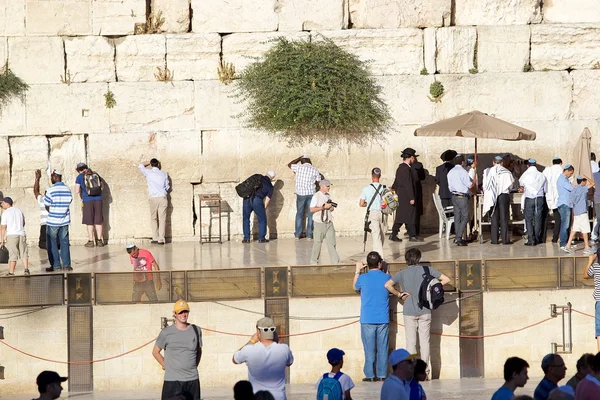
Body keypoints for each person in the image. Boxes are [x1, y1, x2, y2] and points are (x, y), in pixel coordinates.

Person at [385, 248, 450, 378]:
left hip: (409, 310)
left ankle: (412, 371)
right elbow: (446, 279)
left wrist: (399, 294)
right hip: (425, 310)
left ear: (406, 260)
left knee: (411, 342)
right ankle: (424, 372)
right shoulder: (427, 270)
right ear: (419, 259)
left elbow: (387, 285)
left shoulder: (402, 273)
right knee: (425, 342)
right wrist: (432, 288)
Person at [353, 251, 392, 382]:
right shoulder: (387, 277)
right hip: (383, 319)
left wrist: (357, 271)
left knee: (369, 349)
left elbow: (354, 286)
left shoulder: (363, 278)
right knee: (383, 348)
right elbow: (390, 284)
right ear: (380, 264)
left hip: (367, 319)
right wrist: (386, 270)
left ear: (367, 265)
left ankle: (370, 375)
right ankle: (382, 375)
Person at [233, 317, 294, 400]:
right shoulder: (284, 349)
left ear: (258, 331)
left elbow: (235, 359)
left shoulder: (249, 350)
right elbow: (289, 362)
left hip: (257, 397)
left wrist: (251, 341)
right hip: (279, 397)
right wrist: (276, 341)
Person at [153, 300, 202, 400]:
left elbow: (199, 351)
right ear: (174, 314)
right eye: (180, 312)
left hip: (192, 380)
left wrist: (192, 366)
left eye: (185, 311)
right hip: (173, 382)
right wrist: (166, 365)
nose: (183, 314)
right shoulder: (166, 333)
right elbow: (155, 352)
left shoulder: (196, 330)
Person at [390, 148, 422, 243]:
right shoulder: (406, 169)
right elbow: (408, 184)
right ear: (411, 158)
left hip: (402, 196)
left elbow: (397, 181)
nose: (414, 160)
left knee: (401, 216)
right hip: (406, 196)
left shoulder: (400, 168)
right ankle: (412, 235)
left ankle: (393, 234)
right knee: (410, 215)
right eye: (413, 158)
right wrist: (411, 197)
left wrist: (393, 187)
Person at [44, 170, 73, 272]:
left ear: (55, 177)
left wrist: (53, 212)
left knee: (52, 243)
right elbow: (69, 201)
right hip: (64, 221)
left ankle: (55, 265)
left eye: (51, 177)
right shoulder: (67, 189)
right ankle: (66, 265)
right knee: (64, 242)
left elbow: (46, 204)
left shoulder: (51, 190)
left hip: (53, 221)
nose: (51, 179)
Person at [483, 155, 514, 245]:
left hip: (492, 195)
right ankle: (505, 240)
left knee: (494, 217)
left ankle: (494, 240)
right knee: (504, 218)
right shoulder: (507, 172)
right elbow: (511, 185)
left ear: (493, 162)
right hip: (503, 195)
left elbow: (485, 185)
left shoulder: (487, 171)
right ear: (502, 163)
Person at [288, 155, 321, 240]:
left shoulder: (298, 167)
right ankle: (309, 235)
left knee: (299, 213)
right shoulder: (315, 169)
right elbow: (319, 181)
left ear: (302, 161)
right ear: (309, 161)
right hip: (311, 194)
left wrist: (298, 158)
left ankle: (297, 234)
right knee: (311, 214)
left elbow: (289, 164)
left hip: (301, 194)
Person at [138, 159, 170, 245]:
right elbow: (167, 187)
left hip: (153, 198)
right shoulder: (164, 174)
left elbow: (140, 165)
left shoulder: (148, 172)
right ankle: (161, 239)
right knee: (162, 219)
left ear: (151, 165)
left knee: (153, 218)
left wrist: (149, 161)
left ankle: (155, 237)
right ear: (158, 165)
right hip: (162, 197)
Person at [448, 155, 476, 246]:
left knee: (457, 217)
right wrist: (474, 182)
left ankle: (458, 236)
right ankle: (458, 237)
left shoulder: (450, 172)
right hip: (462, 196)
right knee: (465, 216)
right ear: (462, 162)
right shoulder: (463, 172)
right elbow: (469, 185)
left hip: (454, 196)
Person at [310, 179, 340, 264]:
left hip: (329, 222)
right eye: (327, 186)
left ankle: (336, 262)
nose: (329, 188)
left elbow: (331, 209)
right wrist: (323, 207)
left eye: (329, 186)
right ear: (322, 186)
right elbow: (311, 209)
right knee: (317, 243)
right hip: (319, 223)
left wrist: (330, 207)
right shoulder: (316, 196)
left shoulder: (328, 196)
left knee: (332, 243)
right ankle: (314, 262)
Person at [74, 163, 104, 247]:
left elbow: (77, 191)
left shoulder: (80, 177)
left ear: (78, 170)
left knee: (90, 221)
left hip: (87, 200)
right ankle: (99, 241)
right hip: (98, 199)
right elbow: (102, 187)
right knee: (98, 220)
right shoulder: (95, 174)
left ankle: (91, 241)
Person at [359, 168, 387, 258]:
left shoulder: (366, 189)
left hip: (373, 213)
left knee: (376, 236)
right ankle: (378, 255)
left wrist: (367, 203)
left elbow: (361, 203)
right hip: (383, 214)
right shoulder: (384, 188)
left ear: (372, 176)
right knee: (382, 235)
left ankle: (379, 258)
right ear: (380, 176)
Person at [562, 176, 594, 254]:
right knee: (585, 229)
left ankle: (568, 245)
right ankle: (586, 247)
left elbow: (571, 201)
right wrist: (586, 176)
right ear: (582, 182)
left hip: (576, 212)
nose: (586, 182)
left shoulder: (574, 189)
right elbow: (593, 183)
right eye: (585, 181)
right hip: (582, 212)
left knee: (574, 229)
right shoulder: (583, 189)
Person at [519, 159, 548, 246]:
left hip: (529, 198)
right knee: (538, 219)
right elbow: (546, 189)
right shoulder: (541, 175)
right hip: (539, 198)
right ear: (535, 165)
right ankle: (536, 238)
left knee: (529, 219)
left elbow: (521, 187)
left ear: (528, 165)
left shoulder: (525, 175)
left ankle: (531, 240)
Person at [243, 171, 276, 243]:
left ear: (266, 174)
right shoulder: (270, 186)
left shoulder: (257, 176)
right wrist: (262, 209)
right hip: (257, 200)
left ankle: (246, 239)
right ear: (272, 178)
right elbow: (267, 200)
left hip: (247, 198)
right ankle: (261, 238)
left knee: (246, 218)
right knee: (262, 219)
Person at [0, 197, 29, 276]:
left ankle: (11, 272)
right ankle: (26, 269)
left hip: (12, 235)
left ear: (6, 203)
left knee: (13, 254)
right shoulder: (19, 210)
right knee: (24, 252)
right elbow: (23, 222)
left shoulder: (5, 213)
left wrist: (2, 240)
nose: (1, 205)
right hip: (21, 234)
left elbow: (3, 227)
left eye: (2, 203)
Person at [543, 157, 564, 244]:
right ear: (561, 163)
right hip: (560, 198)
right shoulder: (562, 171)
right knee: (559, 219)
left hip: (548, 196)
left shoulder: (547, 170)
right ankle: (555, 237)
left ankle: (543, 238)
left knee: (544, 218)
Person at [583, 251, 600, 351]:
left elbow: (585, 275)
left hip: (599, 300)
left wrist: (590, 261)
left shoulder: (596, 266)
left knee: (599, 329)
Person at [557, 164, 575, 251]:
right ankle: (563, 242)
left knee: (567, 224)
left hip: (567, 204)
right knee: (565, 224)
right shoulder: (562, 179)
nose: (570, 175)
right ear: (566, 171)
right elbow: (571, 188)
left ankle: (567, 241)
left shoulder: (565, 179)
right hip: (564, 204)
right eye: (570, 173)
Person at [33, 169, 50, 251]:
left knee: (43, 243)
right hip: (54, 224)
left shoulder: (42, 199)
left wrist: (37, 179)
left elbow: (35, 191)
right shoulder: (55, 199)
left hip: (45, 224)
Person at [412, 157, 426, 237]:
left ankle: (411, 230)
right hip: (417, 191)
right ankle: (416, 231)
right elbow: (423, 177)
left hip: (411, 191)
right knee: (416, 212)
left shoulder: (408, 166)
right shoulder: (418, 166)